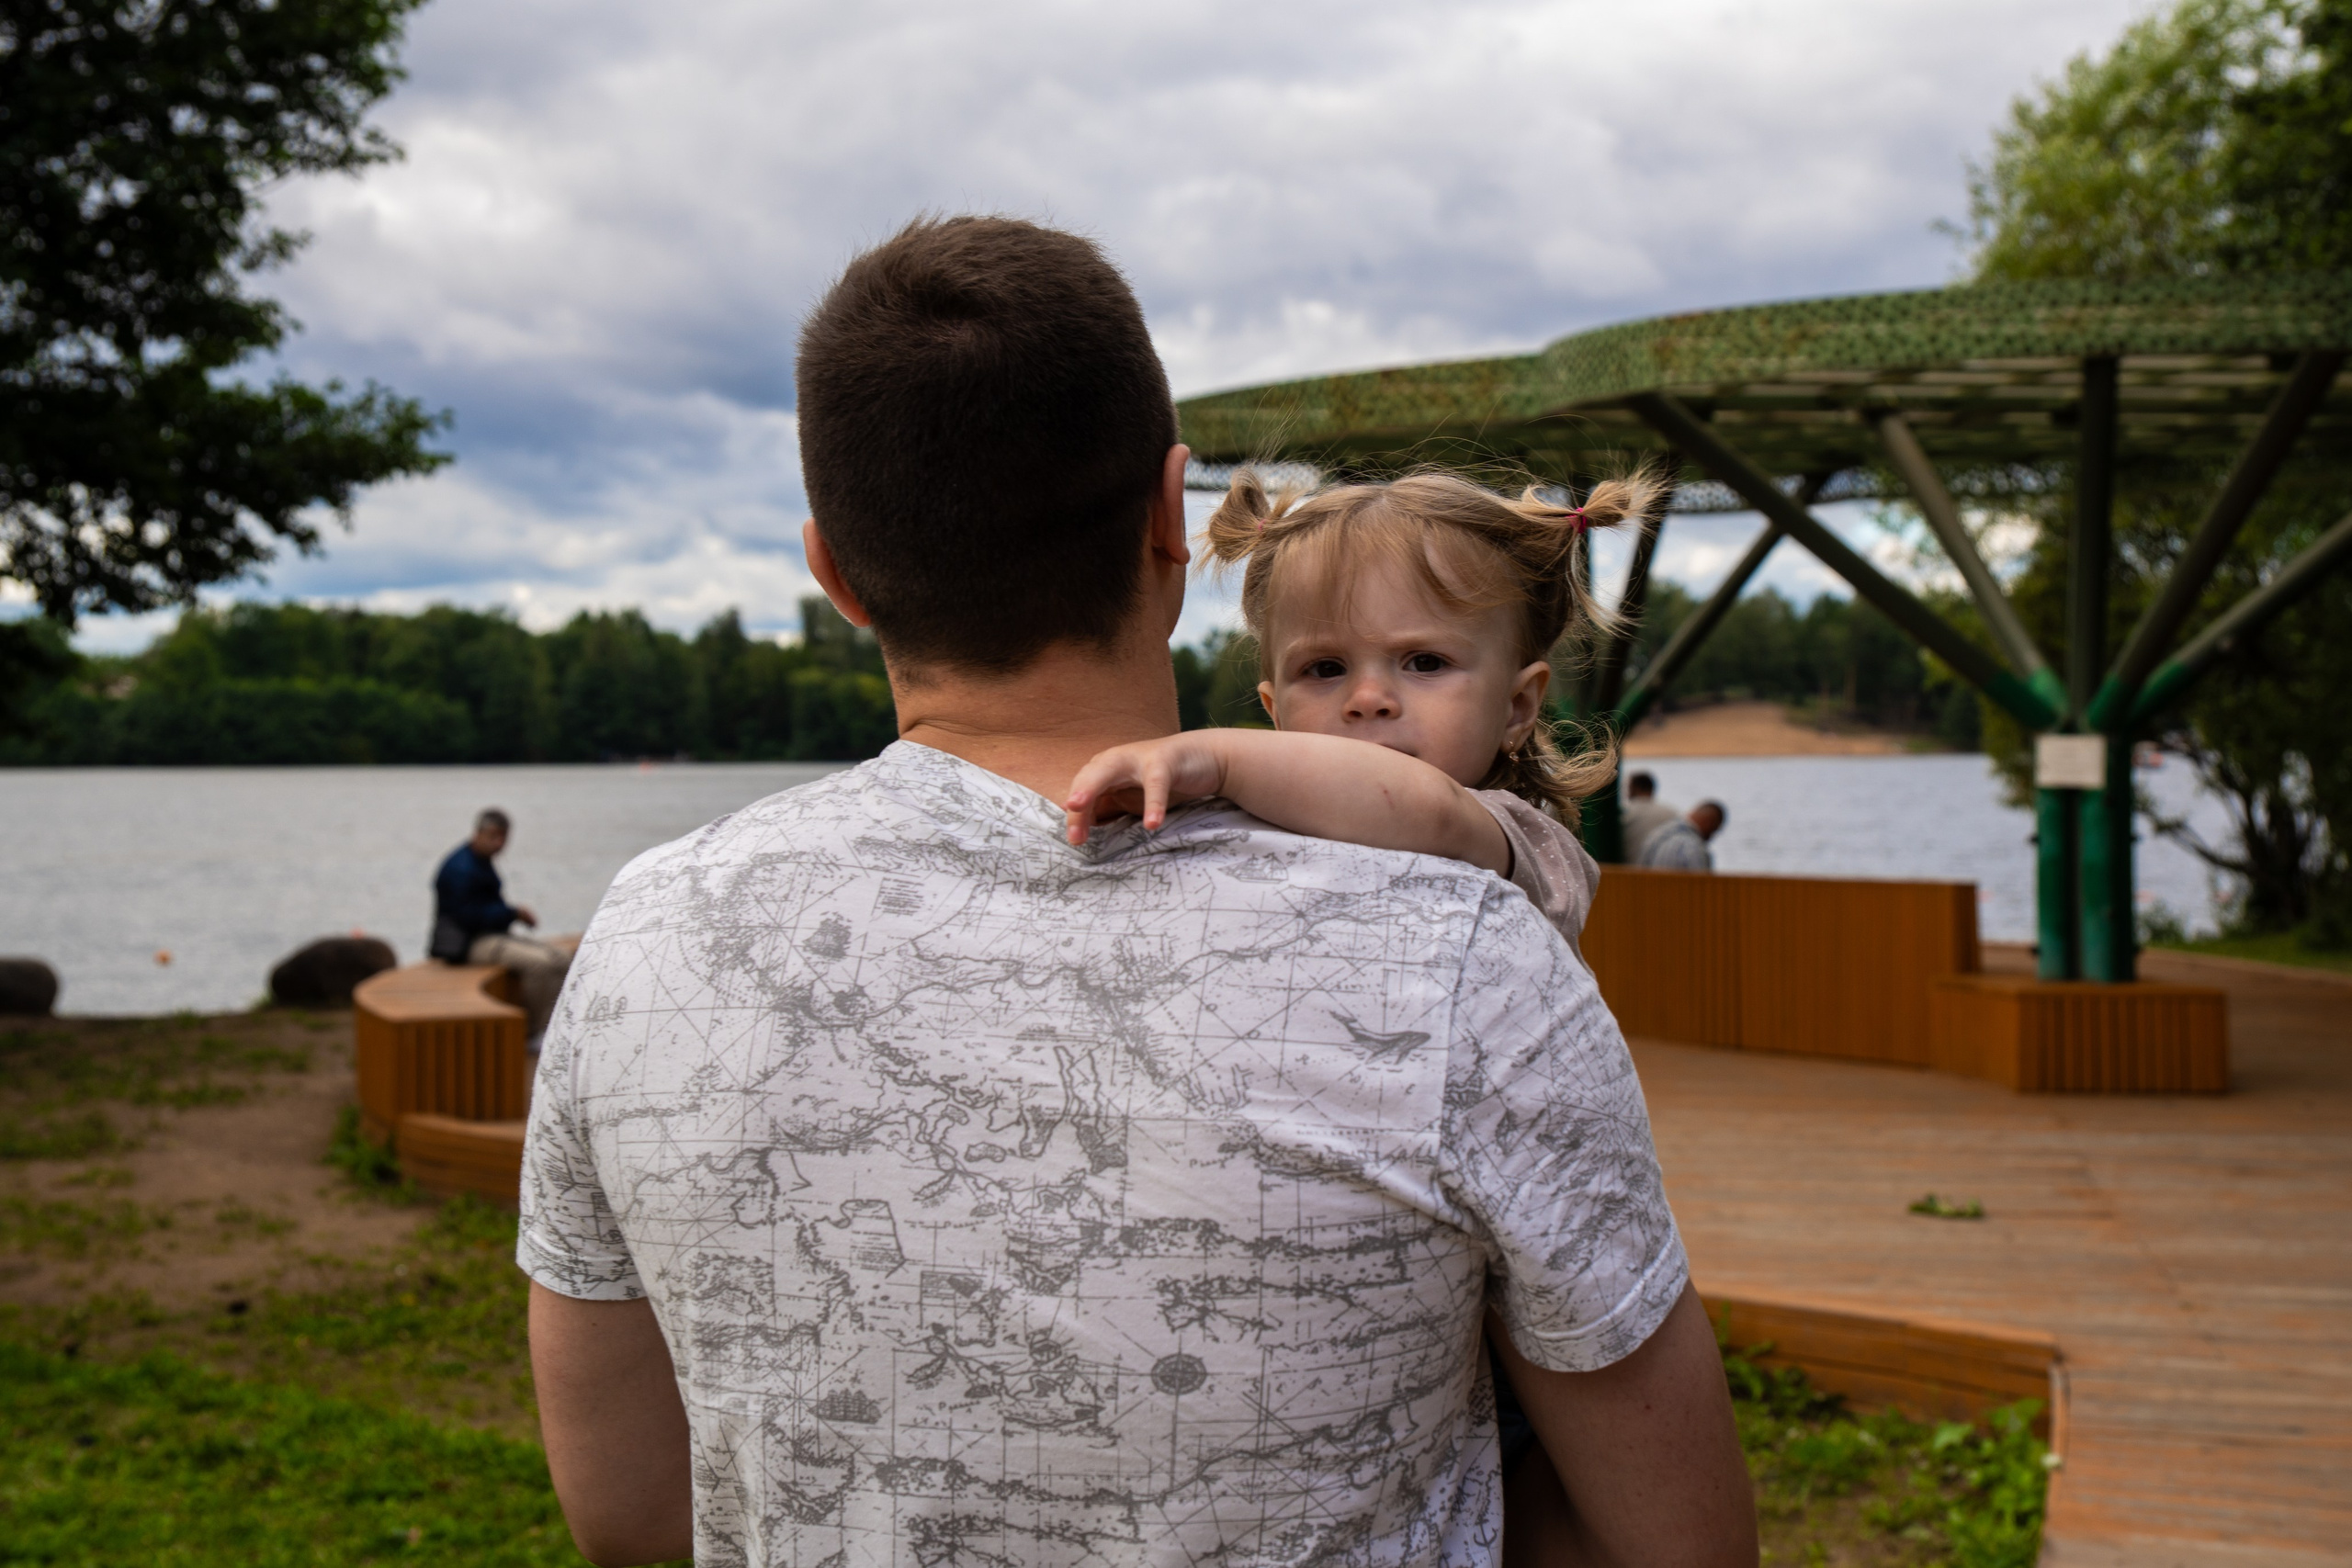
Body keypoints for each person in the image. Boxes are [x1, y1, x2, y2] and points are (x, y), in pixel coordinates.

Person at [520, 217, 1755, 1568]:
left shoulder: (647, 937)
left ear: (837, 575)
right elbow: (1679, 1539)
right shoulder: (1464, 954)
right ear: (1173, 514)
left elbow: (635, 1515)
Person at [430, 808, 571, 1039]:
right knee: (540, 965)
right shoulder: (460, 868)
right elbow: (468, 917)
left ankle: (556, 1029)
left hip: (490, 936)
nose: (499, 843)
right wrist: (512, 913)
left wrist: (509, 914)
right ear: (478, 833)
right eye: (494, 836)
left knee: (562, 958)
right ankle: (532, 1034)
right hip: (466, 944)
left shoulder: (481, 861)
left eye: (504, 837)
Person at [1639, 800, 1728, 872]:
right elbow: (1702, 888)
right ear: (1710, 823)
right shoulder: (1695, 848)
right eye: (1715, 830)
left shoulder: (1657, 835)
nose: (1712, 837)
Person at [1621, 770, 1682, 864]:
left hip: (1628, 872)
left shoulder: (1625, 813)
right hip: (1662, 873)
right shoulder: (1672, 814)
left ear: (1635, 788)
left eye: (1628, 788)